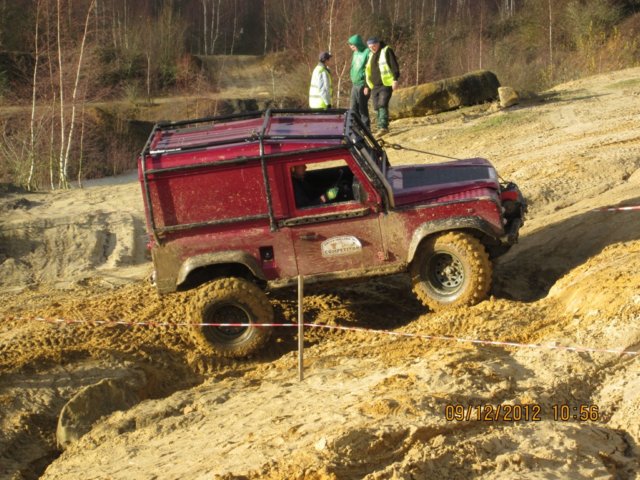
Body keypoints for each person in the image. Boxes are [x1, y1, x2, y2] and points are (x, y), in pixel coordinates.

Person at [364, 37, 400, 136]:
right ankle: (381, 126)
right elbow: (367, 71)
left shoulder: (386, 50)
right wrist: (366, 85)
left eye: (374, 46)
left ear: (378, 43)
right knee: (376, 106)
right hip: (374, 85)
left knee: (382, 104)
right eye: (370, 47)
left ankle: (383, 127)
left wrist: (395, 79)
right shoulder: (370, 55)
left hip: (386, 83)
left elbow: (394, 65)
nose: (372, 48)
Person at [347, 34, 371, 129]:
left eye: (353, 46)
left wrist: (366, 85)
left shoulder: (367, 52)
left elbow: (370, 69)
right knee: (353, 107)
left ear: (357, 44)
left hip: (363, 84)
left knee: (362, 107)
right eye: (351, 46)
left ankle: (366, 127)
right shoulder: (355, 53)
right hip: (355, 84)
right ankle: (356, 127)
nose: (352, 48)